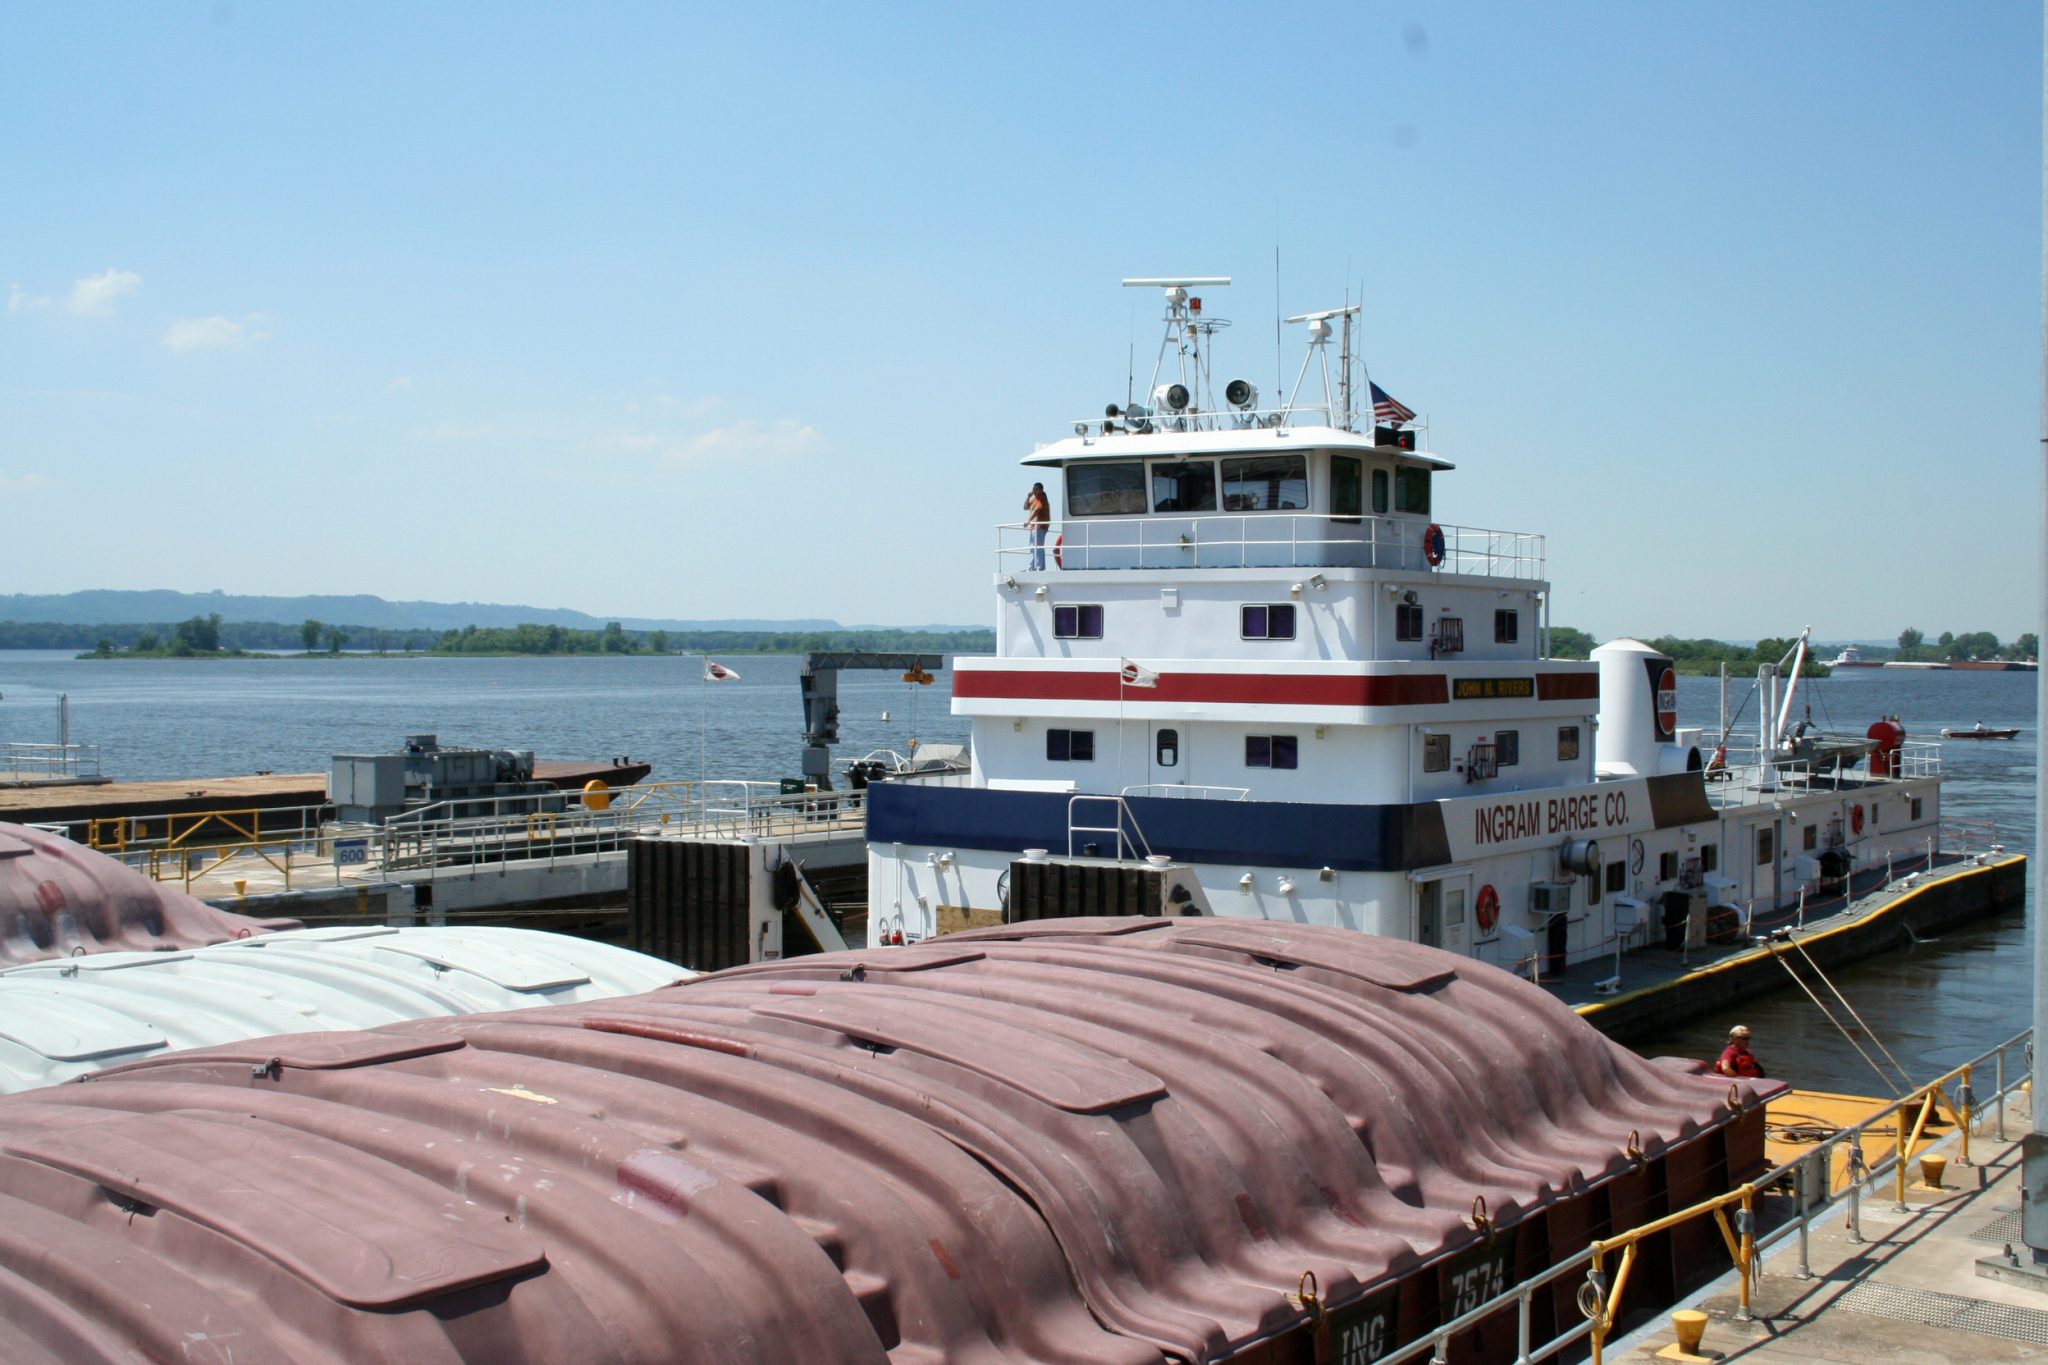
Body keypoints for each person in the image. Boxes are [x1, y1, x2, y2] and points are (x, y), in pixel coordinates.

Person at [1024, 481, 1051, 570]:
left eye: (1036, 490)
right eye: (1033, 490)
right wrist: (1028, 497)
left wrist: (1028, 520)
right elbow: (1025, 507)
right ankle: (1031, 567)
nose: (1034, 491)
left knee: (1038, 547)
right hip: (1033, 527)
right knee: (1032, 548)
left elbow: (1037, 510)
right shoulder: (1033, 498)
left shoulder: (1042, 498)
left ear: (1041, 490)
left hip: (1040, 526)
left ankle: (1040, 567)